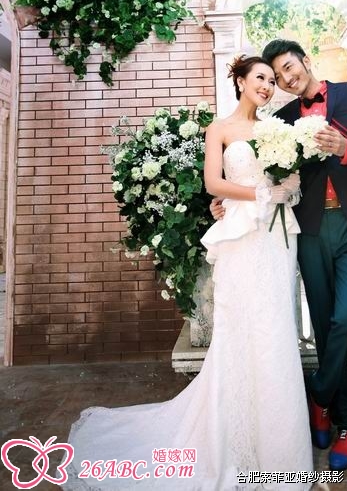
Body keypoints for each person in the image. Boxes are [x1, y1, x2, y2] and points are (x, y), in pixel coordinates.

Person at [62, 55, 313, 491]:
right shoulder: (220, 129)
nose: (268, 85)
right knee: (240, 328)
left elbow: (291, 182)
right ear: (240, 81)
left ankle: (280, 451)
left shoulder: (279, 129)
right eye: (260, 78)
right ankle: (232, 440)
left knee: (275, 329)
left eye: (272, 80)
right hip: (240, 238)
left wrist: (284, 190)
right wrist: (259, 193)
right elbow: (214, 184)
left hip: (276, 239)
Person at [212, 40, 347, 472]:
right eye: (276, 76)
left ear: (305, 61)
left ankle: (320, 392)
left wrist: (345, 147)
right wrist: (224, 202)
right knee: (327, 325)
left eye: (289, 68)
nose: (286, 79)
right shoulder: (282, 120)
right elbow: (260, 174)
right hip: (308, 229)